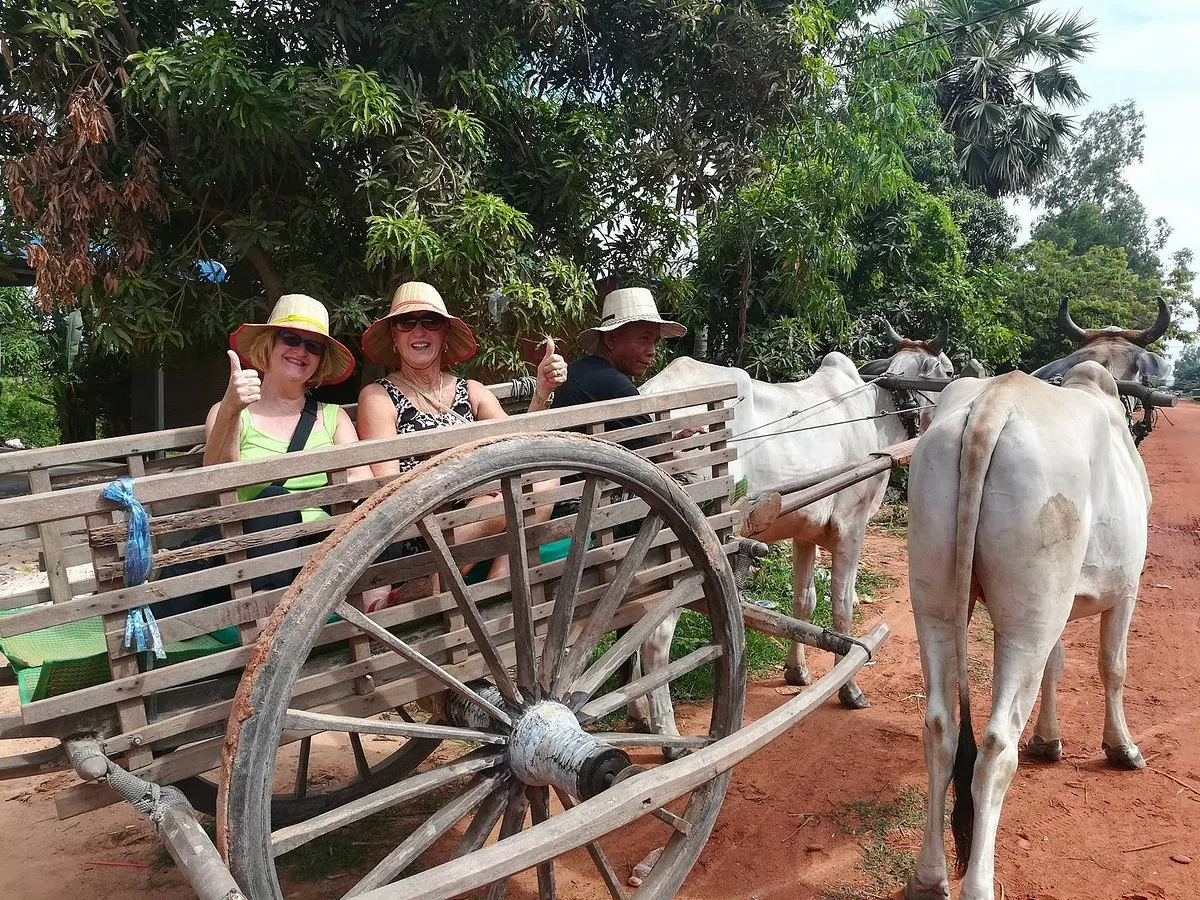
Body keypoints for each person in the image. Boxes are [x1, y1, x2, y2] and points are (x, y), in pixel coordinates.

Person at [154, 294, 367, 617]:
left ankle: (273, 613)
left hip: (315, 552)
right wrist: (231, 408)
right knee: (272, 503)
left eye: (313, 346)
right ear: (270, 344)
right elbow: (215, 478)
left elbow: (361, 479)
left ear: (320, 360)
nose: (300, 351)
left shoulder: (332, 417)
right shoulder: (228, 412)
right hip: (244, 553)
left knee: (281, 504)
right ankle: (266, 612)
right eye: (291, 338)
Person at [356, 281, 566, 605]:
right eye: (406, 322)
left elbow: (518, 446)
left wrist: (542, 389)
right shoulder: (379, 396)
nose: (419, 330)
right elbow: (389, 488)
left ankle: (500, 586)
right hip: (422, 526)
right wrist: (454, 469)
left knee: (544, 478)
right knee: (501, 501)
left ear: (443, 336)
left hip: (487, 511)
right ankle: (427, 589)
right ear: (394, 339)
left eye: (431, 321)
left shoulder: (472, 391)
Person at [551, 286, 688, 448]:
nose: (652, 351)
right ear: (611, 340)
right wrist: (681, 445)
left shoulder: (583, 369)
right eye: (644, 339)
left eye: (655, 342)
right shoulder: (613, 384)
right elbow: (655, 457)